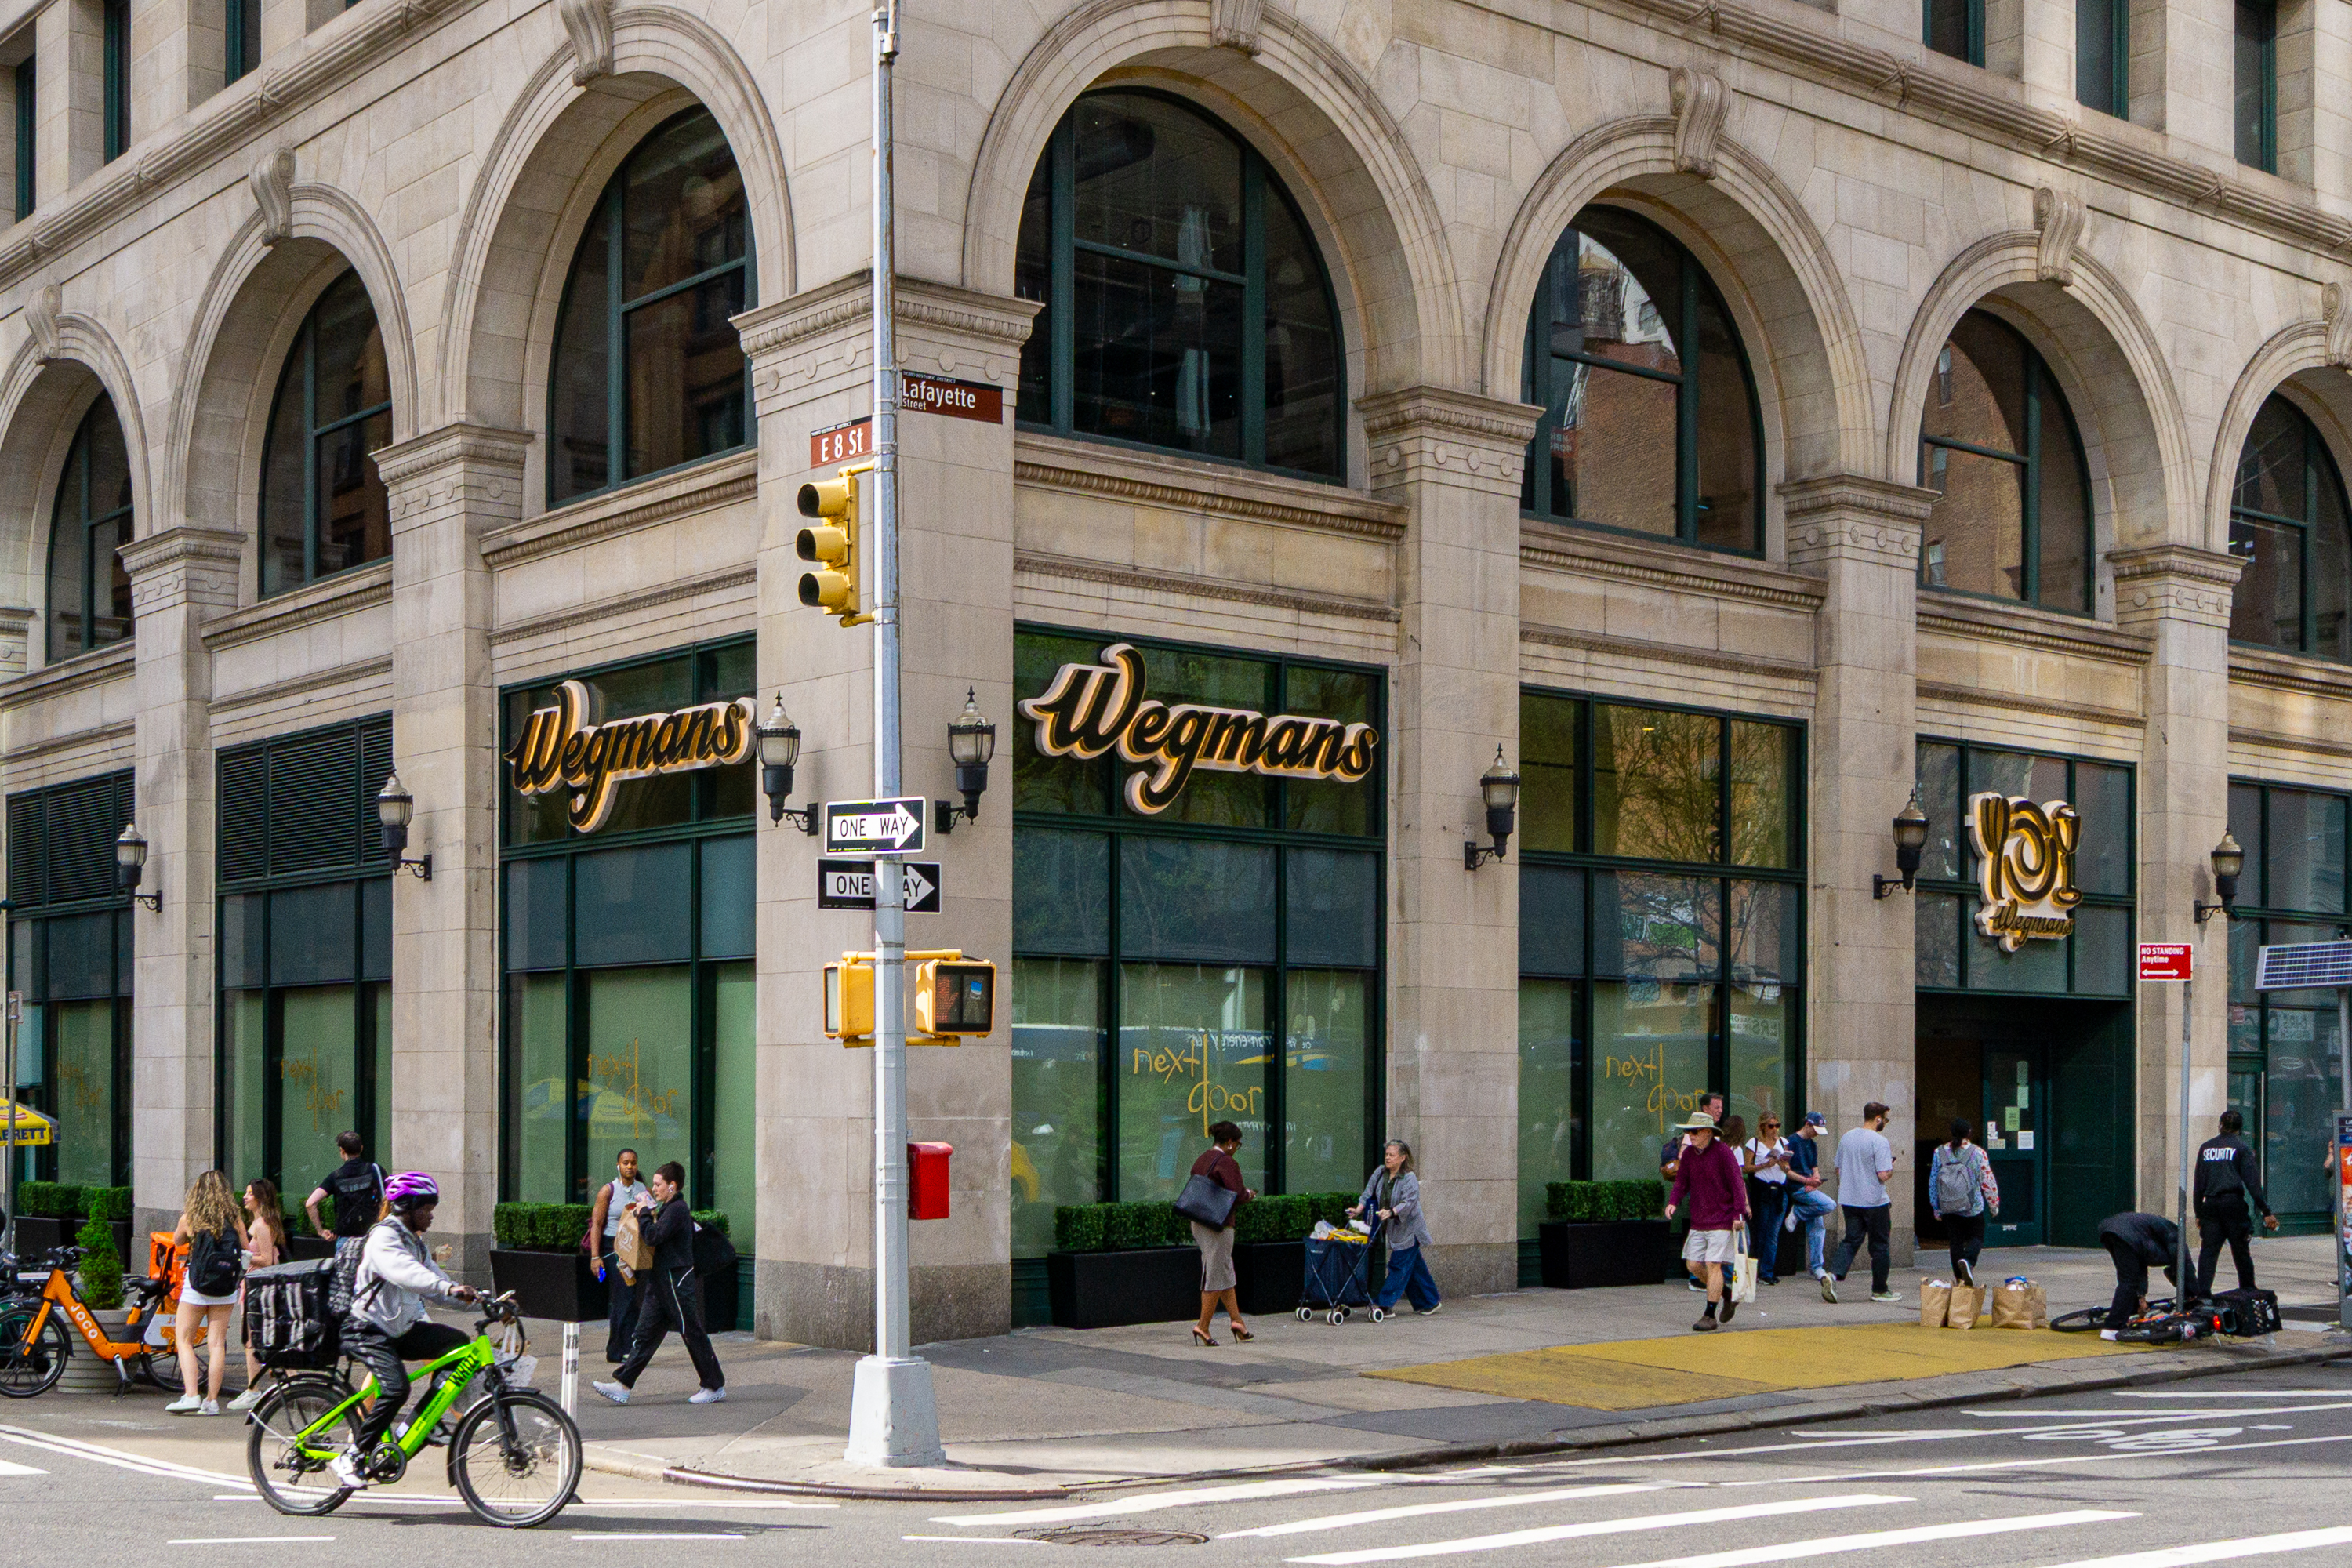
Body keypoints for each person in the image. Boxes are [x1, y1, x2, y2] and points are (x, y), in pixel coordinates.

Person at [334, 1172, 480, 1490]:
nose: (431, 1215)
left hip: (397, 1329)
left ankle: (427, 1424)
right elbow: (405, 1273)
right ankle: (353, 1455)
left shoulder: (415, 1241)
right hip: (366, 1329)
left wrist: (480, 1299)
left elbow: (437, 1282)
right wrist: (447, 1287)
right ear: (407, 1206)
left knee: (458, 1346)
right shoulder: (384, 1238)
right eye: (426, 1208)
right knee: (396, 1388)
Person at [593, 1162, 727, 1406]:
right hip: (661, 1281)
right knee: (644, 1335)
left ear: (671, 1186)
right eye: (653, 1184)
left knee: (691, 1331)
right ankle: (623, 1385)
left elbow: (653, 1236)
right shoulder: (669, 1209)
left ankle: (714, 1384)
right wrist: (646, 1212)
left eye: (658, 1184)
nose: (653, 1189)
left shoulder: (677, 1210)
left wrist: (643, 1212)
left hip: (675, 1280)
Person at [165, 1171, 249, 1414]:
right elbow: (245, 1247)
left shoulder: (190, 1218)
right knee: (216, 1344)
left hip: (197, 1284)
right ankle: (211, 1401)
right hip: (226, 1286)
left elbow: (177, 1241)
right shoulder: (235, 1218)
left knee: (184, 1340)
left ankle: (191, 1395)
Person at [1664, 1112, 1748, 1330]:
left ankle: (1709, 1315)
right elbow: (1682, 1182)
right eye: (1687, 1131)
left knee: (1713, 1264)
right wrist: (1673, 1201)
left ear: (1708, 1133)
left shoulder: (1723, 1153)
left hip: (1722, 1218)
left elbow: (1737, 1184)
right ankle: (1727, 1294)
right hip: (1699, 1219)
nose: (1689, 1136)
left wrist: (1738, 1215)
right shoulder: (1690, 1155)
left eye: (1694, 1131)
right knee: (1693, 1264)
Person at [1352, 1139, 1441, 1317]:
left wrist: (1392, 1212)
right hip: (1393, 1229)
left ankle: (1384, 1305)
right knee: (1414, 1268)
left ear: (1402, 1157)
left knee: (1398, 1266)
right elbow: (1368, 1193)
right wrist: (1359, 1209)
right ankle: (1430, 1302)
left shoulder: (1409, 1178)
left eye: (1392, 1155)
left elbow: (1409, 1203)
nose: (1388, 1158)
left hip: (1410, 1230)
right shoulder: (1379, 1173)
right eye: (1387, 1154)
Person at [2194, 1109, 2277, 1295]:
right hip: (2233, 1205)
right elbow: (2253, 1183)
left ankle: (2203, 1294)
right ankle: (2248, 1290)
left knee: (2208, 1252)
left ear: (2220, 1125)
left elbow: (2198, 1184)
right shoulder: (2241, 1148)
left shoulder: (2206, 1148)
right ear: (2240, 1128)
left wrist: (2199, 1212)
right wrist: (2265, 1211)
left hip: (2211, 1205)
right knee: (2240, 1250)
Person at [1824, 1102, 1899, 1304]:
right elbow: (1883, 1175)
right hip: (1875, 1201)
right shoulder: (1879, 1141)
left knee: (1851, 1240)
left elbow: (1838, 1169)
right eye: (1885, 1119)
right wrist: (1890, 1168)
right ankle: (1880, 1289)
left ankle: (1833, 1275)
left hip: (1849, 1199)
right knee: (1880, 1246)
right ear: (1878, 1119)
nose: (1885, 1123)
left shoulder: (1847, 1137)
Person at [1187, 1121, 1254, 1345]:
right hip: (1219, 1225)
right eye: (1237, 1144)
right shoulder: (1227, 1162)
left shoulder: (1202, 1158)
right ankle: (1203, 1326)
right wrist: (1249, 1194)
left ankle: (1237, 1322)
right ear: (1229, 1143)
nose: (1237, 1148)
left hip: (1199, 1221)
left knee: (1224, 1270)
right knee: (1215, 1273)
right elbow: (1237, 1193)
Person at [227, 1177, 287, 1414]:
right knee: (258, 1337)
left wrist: (245, 1256)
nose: (245, 1196)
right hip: (257, 1285)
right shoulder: (263, 1222)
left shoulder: (262, 1225)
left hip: (258, 1285)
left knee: (251, 1338)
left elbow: (267, 1260)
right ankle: (276, 1383)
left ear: (260, 1198)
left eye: (250, 1194)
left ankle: (253, 1390)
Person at [588, 1148, 650, 1363]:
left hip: (635, 1250)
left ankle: (628, 1348)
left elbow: (651, 1217)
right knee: (623, 1297)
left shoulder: (643, 1190)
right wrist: (595, 1257)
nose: (630, 1166)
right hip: (612, 1250)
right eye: (626, 1163)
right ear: (618, 1165)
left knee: (632, 1299)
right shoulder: (608, 1191)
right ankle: (616, 1350)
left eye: (633, 1162)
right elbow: (596, 1223)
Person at [1661, 1092, 1728, 1291]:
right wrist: (1674, 1200)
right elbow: (1683, 1173)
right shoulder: (1694, 1136)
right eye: (1716, 1107)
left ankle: (1715, 1285)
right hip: (1701, 1199)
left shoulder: (1718, 1146)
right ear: (1706, 1108)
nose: (1720, 1111)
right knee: (1699, 1244)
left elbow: (1733, 1181)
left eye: (1721, 1107)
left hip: (1715, 1204)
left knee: (1712, 1250)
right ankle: (1699, 1279)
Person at [1927, 1119, 1999, 1287]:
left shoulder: (1940, 1152)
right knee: (1977, 1237)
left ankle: (1959, 1279)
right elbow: (1987, 1180)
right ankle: (1969, 1260)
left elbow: (1933, 1181)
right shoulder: (1978, 1152)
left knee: (1955, 1242)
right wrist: (1993, 1204)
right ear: (1969, 1133)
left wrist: (1936, 1207)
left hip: (1949, 1207)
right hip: (1972, 1206)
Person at [2098, 1210, 2181, 1339]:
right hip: (2124, 1234)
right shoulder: (2174, 1236)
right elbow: (2183, 1264)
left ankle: (2130, 1310)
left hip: (2108, 1230)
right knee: (2128, 1281)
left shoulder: (2151, 1231)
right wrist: (2193, 1292)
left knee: (2127, 1276)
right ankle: (2112, 1327)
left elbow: (2141, 1265)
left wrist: (2141, 1297)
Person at [1783, 1112, 1838, 1287]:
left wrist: (1815, 1181)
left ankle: (1817, 1267)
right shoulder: (1791, 1142)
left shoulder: (1812, 1145)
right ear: (1807, 1124)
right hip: (1797, 1187)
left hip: (1807, 1186)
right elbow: (1787, 1170)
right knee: (1829, 1205)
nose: (1816, 1133)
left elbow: (1815, 1168)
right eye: (1815, 1129)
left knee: (1818, 1226)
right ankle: (1798, 1212)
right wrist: (1808, 1181)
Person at [305, 1131, 385, 1242]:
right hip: (373, 1237)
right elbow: (388, 1199)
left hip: (346, 1240)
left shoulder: (335, 1177)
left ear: (342, 1151)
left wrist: (321, 1231)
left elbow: (310, 1204)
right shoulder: (375, 1170)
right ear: (361, 1148)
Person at [1743, 1115, 1792, 1285]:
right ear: (1763, 1126)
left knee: (1773, 1233)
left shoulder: (1783, 1142)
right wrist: (1764, 1165)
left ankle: (1767, 1271)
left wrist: (1783, 1165)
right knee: (1761, 1231)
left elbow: (1787, 1168)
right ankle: (1755, 1270)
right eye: (1771, 1126)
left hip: (1779, 1190)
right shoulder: (1754, 1143)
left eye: (1777, 1125)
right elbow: (1745, 1168)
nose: (1775, 1129)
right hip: (1762, 1190)